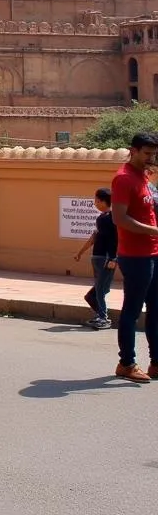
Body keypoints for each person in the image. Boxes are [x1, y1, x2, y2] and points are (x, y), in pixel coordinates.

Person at [111, 132, 158, 383]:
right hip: (135, 256)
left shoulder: (144, 176)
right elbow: (120, 218)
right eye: (147, 153)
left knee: (156, 309)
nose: (151, 158)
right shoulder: (123, 179)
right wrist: (154, 230)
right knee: (132, 310)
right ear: (133, 150)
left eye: (154, 153)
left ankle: (156, 362)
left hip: (153, 252)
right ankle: (126, 363)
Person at [75, 187, 118, 329]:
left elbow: (114, 240)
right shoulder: (101, 218)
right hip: (97, 258)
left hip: (106, 259)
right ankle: (99, 315)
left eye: (96, 200)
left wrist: (113, 258)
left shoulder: (112, 218)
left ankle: (103, 318)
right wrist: (80, 252)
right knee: (95, 293)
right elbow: (94, 238)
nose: (95, 203)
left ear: (102, 201)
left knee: (100, 290)